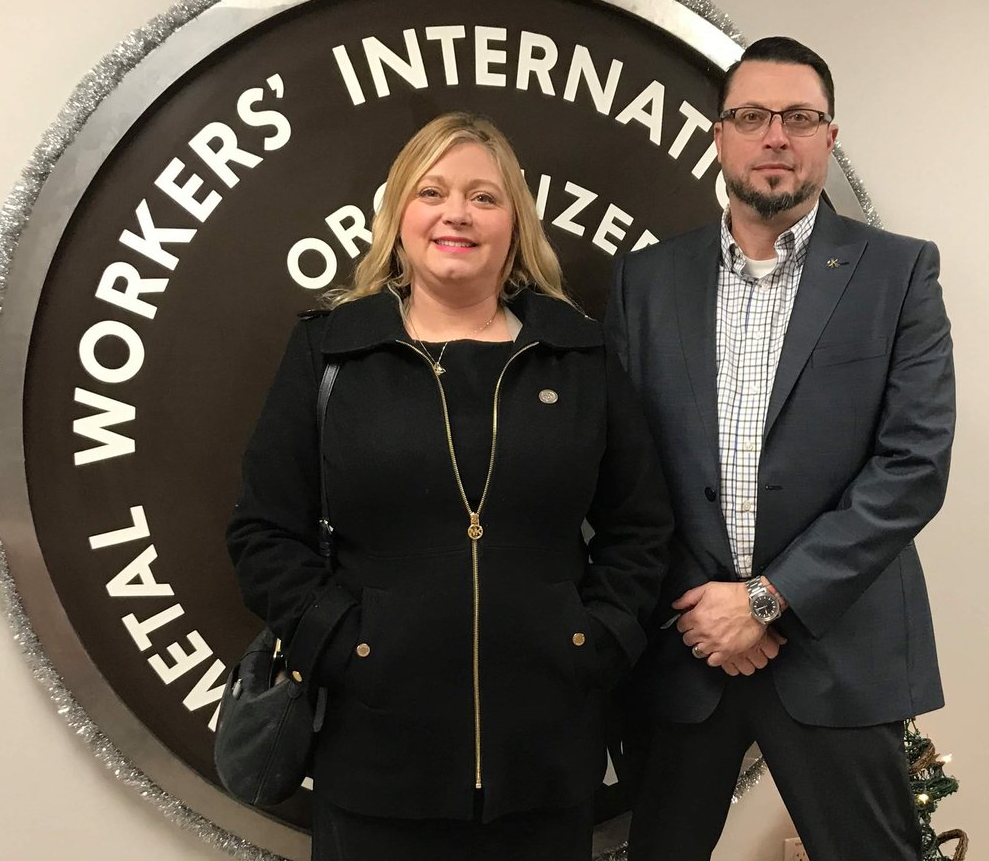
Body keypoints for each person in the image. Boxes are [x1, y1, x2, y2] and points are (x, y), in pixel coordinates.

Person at [227, 111, 673, 861]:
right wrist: (346, 643)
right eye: (431, 192)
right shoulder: (330, 354)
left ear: (514, 223)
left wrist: (589, 642)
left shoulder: (578, 355)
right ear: (398, 215)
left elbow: (641, 529)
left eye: (483, 197)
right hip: (374, 763)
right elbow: (263, 532)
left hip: (545, 763)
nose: (456, 214)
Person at [604, 37, 955, 861]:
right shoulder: (645, 282)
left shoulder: (898, 273)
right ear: (719, 135)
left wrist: (766, 601)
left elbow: (912, 466)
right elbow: (623, 470)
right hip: (687, 645)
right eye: (752, 116)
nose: (775, 137)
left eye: (799, 118)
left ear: (828, 137)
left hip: (837, 650)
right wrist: (704, 605)